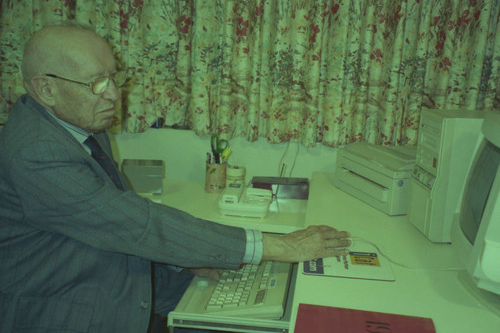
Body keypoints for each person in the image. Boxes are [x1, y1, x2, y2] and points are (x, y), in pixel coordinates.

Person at [0, 24, 350, 333]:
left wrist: (190, 256)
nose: (113, 94)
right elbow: (135, 224)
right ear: (46, 89)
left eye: (114, 77)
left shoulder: (76, 121)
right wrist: (279, 246)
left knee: (258, 307)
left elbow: (114, 220)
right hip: (70, 303)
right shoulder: (35, 152)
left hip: (117, 269)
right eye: (96, 83)